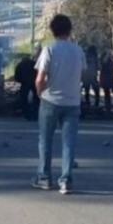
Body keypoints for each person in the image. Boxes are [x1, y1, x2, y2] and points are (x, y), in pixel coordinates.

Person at [31, 14, 85, 195]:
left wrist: (39, 93)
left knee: (45, 140)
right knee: (69, 142)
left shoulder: (49, 49)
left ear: (52, 31)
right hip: (72, 101)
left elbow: (40, 79)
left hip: (50, 100)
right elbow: (83, 75)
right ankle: (66, 180)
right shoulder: (78, 51)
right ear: (70, 31)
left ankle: (44, 177)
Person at [14, 50, 39, 121]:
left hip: (25, 83)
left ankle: (26, 114)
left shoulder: (20, 65)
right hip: (34, 83)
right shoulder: (34, 63)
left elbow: (17, 76)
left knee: (23, 98)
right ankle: (35, 114)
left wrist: (21, 81)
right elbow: (38, 72)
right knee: (36, 98)